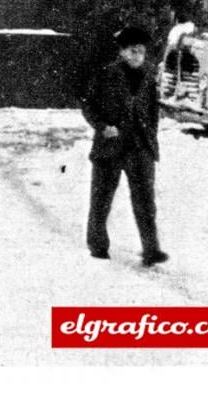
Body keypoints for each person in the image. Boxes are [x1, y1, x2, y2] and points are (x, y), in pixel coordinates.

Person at [81, 25, 168, 267]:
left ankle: (151, 250)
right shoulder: (106, 74)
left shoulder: (150, 76)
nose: (136, 56)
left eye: (140, 51)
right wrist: (102, 126)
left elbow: (152, 111)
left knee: (146, 203)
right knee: (101, 198)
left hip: (140, 148)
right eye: (131, 51)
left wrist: (150, 136)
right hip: (110, 147)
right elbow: (88, 105)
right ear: (122, 52)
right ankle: (98, 246)